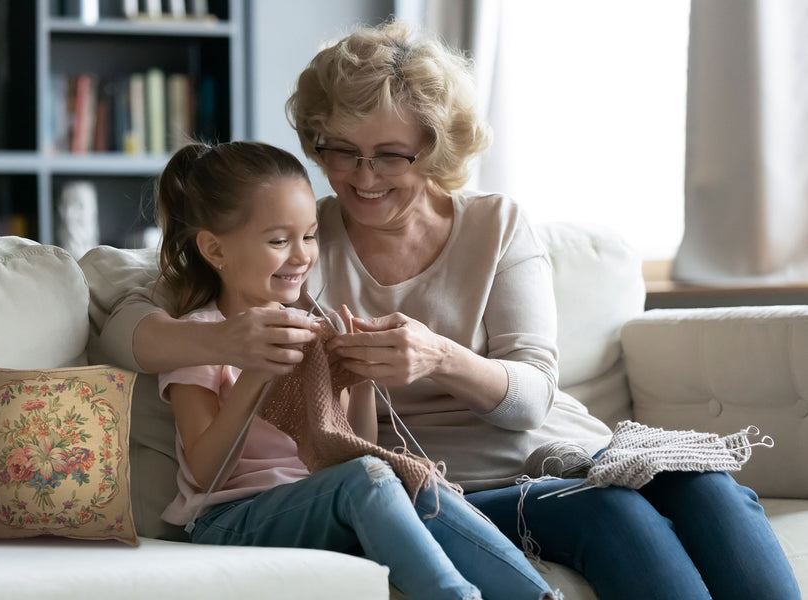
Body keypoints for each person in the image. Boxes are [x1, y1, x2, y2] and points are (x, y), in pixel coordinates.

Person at [102, 22, 800, 600]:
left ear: (438, 147)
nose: (362, 178)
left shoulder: (495, 226)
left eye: (390, 155)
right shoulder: (296, 244)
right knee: (617, 517)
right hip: (466, 484)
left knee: (707, 489)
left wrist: (440, 356)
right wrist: (233, 339)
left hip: (570, 448)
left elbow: (532, 395)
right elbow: (130, 319)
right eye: (340, 151)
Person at [149, 139, 560, 600]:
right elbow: (205, 474)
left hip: (325, 503)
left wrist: (361, 379)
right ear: (215, 251)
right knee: (370, 478)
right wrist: (256, 374)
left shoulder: (313, 329)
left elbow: (352, 449)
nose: (302, 256)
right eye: (278, 241)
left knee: (409, 476)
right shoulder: (202, 336)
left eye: (308, 236)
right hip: (230, 519)